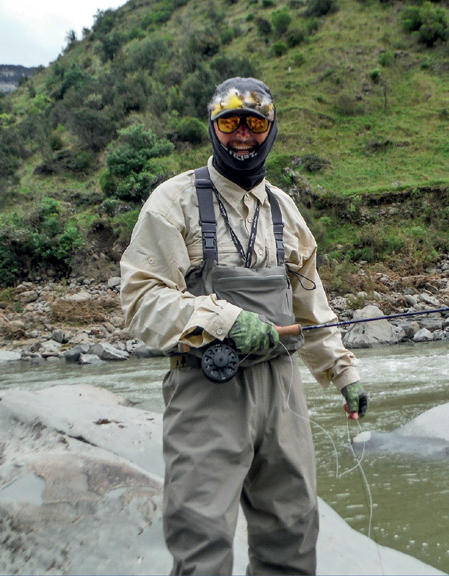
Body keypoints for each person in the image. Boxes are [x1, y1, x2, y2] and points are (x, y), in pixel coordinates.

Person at [119, 76, 368, 575]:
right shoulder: (172, 202)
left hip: (282, 387)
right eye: (229, 123)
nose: (242, 135)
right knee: (202, 537)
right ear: (212, 127)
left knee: (293, 530)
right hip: (205, 386)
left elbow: (310, 307)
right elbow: (141, 301)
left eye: (254, 124)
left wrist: (343, 373)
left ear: (270, 129)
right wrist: (225, 320)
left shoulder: (285, 209)